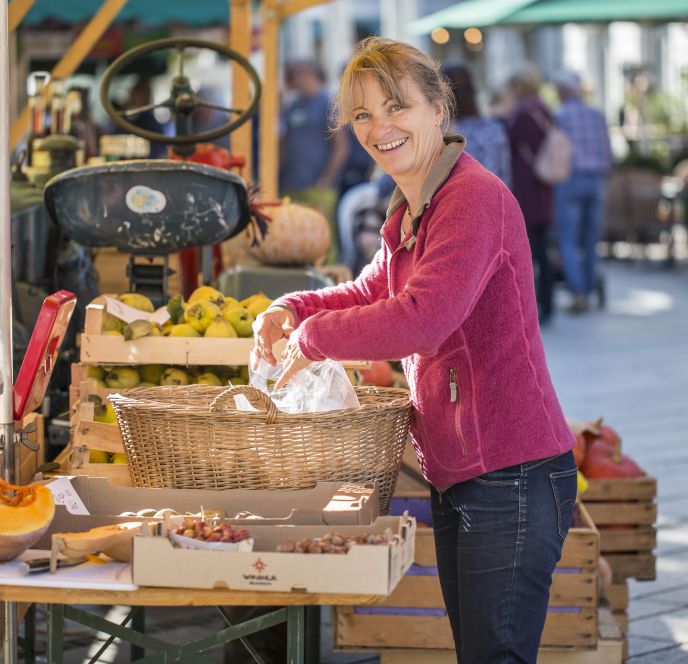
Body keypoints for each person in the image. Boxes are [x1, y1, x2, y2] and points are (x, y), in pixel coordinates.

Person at [253, 37, 576, 664]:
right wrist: (292, 307)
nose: (379, 127)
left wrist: (313, 339)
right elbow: (375, 287)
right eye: (363, 115)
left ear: (438, 107)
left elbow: (424, 318)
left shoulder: (472, 198)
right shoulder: (416, 204)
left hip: (510, 472)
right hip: (466, 471)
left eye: (395, 106)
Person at [553, 70, 614, 313]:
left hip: (570, 179)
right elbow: (608, 150)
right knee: (591, 240)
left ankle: (579, 292)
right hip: (596, 179)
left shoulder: (560, 116)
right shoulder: (597, 114)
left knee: (567, 239)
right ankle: (588, 288)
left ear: (565, 91)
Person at [279, 59, 350, 261]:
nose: (296, 79)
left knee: (322, 237)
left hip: (318, 185)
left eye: (300, 74)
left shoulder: (329, 103)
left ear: (314, 74)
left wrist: (327, 177)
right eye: (293, 75)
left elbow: (340, 145)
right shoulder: (293, 105)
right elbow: (283, 142)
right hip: (290, 183)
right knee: (294, 237)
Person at [505, 65, 555, 325]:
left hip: (527, 188)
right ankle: (548, 302)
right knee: (542, 250)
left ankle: (537, 305)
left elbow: (510, 138)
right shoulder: (544, 108)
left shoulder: (523, 112)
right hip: (543, 186)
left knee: (530, 252)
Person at [443, 61, 512, 188]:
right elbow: (505, 174)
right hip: (492, 198)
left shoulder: (438, 133)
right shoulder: (494, 129)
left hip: (453, 202)